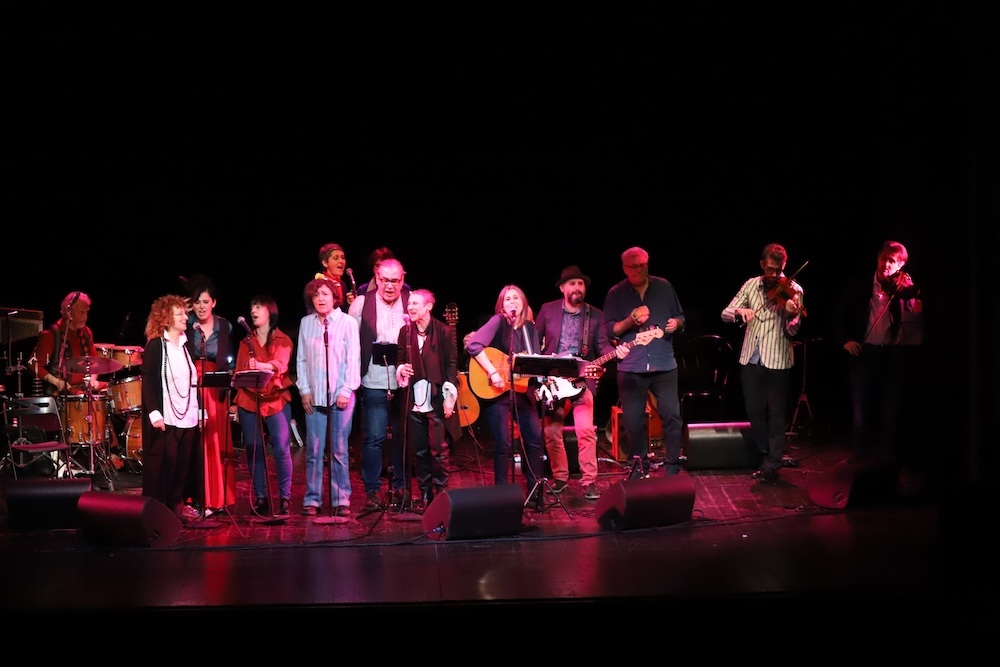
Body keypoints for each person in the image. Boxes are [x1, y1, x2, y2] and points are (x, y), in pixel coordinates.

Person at [833, 240, 923, 471]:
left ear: (900, 266)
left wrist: (912, 300)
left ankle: (885, 466)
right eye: (884, 258)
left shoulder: (903, 288)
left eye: (892, 261)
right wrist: (846, 341)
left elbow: (913, 322)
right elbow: (840, 316)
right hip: (865, 355)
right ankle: (862, 463)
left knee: (890, 414)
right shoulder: (861, 284)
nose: (886, 264)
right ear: (877, 258)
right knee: (862, 414)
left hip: (893, 358)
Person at [721, 242, 804, 484]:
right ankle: (767, 453)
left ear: (783, 266)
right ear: (761, 265)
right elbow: (725, 313)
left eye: (777, 270)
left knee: (776, 414)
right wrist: (740, 312)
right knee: (753, 410)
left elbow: (794, 330)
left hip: (778, 360)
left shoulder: (793, 289)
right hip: (751, 358)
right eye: (769, 269)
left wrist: (792, 314)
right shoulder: (751, 284)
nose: (773, 275)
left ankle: (772, 462)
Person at [534, 265, 616, 501]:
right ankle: (560, 477)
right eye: (572, 283)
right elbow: (534, 341)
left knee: (586, 431)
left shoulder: (595, 315)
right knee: (551, 432)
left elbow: (602, 346)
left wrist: (615, 352)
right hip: (553, 381)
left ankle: (589, 481)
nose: (577, 287)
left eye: (580, 283)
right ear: (562, 288)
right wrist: (541, 374)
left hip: (581, 381)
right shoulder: (548, 310)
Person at [603, 247, 686, 478]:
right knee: (632, 421)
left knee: (672, 416)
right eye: (633, 266)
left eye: (642, 265)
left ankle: (672, 466)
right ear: (625, 268)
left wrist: (677, 324)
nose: (638, 270)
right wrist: (630, 320)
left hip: (664, 363)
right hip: (631, 366)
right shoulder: (616, 294)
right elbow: (610, 329)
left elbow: (680, 317)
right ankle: (638, 467)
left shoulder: (664, 287)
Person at [465, 284, 546, 507]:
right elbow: (474, 345)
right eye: (507, 299)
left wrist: (548, 370)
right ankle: (501, 495)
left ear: (523, 303)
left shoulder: (530, 329)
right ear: (502, 305)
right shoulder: (498, 322)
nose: (512, 302)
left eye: (516, 298)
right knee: (503, 443)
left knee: (535, 439)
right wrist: (493, 372)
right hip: (498, 392)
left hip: (523, 391)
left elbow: (534, 361)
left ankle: (535, 491)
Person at [348, 257, 410, 511]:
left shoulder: (410, 300)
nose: (389, 286)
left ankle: (402, 486)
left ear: (403, 280)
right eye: (384, 280)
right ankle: (372, 490)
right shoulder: (362, 303)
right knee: (374, 436)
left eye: (395, 281)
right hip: (373, 379)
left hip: (404, 381)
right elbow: (350, 342)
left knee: (402, 437)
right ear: (377, 279)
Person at [297, 278, 361, 517]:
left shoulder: (347, 323)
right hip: (315, 396)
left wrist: (346, 390)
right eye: (316, 295)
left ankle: (341, 498)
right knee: (314, 451)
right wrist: (304, 390)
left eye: (325, 294)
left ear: (335, 297)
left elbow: (353, 358)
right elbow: (301, 359)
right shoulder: (306, 323)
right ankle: (312, 499)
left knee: (339, 450)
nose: (320, 299)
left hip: (340, 396)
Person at [395, 289, 461, 511]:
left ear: (428, 307)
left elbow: (451, 364)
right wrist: (401, 369)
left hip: (436, 397)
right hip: (414, 397)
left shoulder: (443, 331)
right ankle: (425, 492)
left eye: (415, 303)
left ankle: (441, 491)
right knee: (420, 449)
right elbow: (400, 360)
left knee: (438, 449)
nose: (410, 307)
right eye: (409, 304)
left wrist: (449, 397)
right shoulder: (405, 332)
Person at [140, 294, 201, 526]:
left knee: (183, 465)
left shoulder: (187, 344)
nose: (185, 317)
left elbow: (192, 380)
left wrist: (198, 409)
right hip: (167, 416)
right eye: (180, 314)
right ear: (166, 318)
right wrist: (154, 412)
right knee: (166, 464)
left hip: (188, 414)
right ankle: (159, 509)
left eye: (185, 313)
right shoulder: (157, 345)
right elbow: (149, 381)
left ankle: (176, 505)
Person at [233, 294, 295, 517]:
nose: (253, 311)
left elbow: (281, 364)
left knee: (281, 448)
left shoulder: (283, 340)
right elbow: (239, 373)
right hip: (250, 399)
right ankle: (261, 497)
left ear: (270, 311)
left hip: (275, 399)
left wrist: (261, 365)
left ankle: (284, 498)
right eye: (252, 307)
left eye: (258, 307)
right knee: (253, 449)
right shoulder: (245, 343)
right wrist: (235, 404)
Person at [184, 275, 236, 515]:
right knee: (196, 442)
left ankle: (218, 497)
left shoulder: (224, 326)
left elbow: (228, 361)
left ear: (214, 302)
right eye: (197, 302)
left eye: (206, 301)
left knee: (216, 440)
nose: (201, 306)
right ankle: (196, 496)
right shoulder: (186, 324)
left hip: (216, 389)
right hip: (191, 386)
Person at [31, 291, 106, 396]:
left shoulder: (86, 332)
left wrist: (93, 379)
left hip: (83, 391)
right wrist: (57, 382)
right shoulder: (51, 335)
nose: (85, 317)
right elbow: (33, 365)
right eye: (81, 312)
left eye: (86, 312)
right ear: (69, 312)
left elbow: (94, 362)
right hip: (59, 396)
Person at [314, 242, 356, 312]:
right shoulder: (317, 285)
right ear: (325, 263)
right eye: (336, 258)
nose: (341, 261)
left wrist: (349, 304)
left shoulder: (342, 284)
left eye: (342, 258)